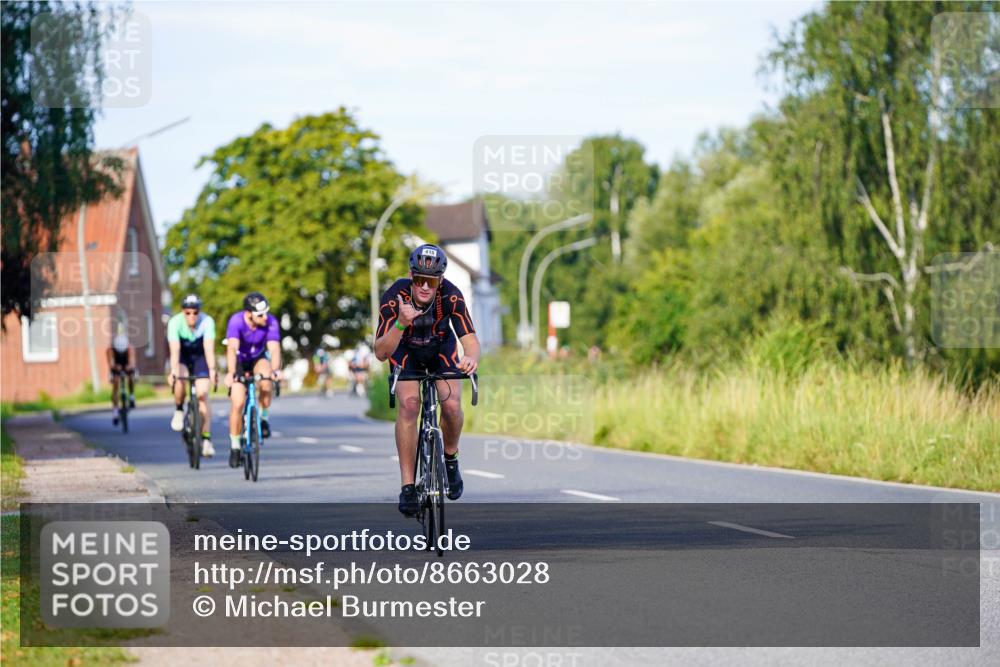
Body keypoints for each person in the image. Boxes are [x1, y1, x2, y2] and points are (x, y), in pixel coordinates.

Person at [373, 244, 480, 516]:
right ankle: (408, 486)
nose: (424, 286)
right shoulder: (395, 296)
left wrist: (470, 357)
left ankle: (451, 458)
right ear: (411, 276)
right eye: (419, 279)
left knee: (452, 405)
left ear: (440, 281)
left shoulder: (451, 295)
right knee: (409, 405)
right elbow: (381, 352)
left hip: (440, 349)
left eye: (430, 281)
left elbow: (470, 340)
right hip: (405, 350)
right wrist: (400, 322)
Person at [224, 292, 283, 468]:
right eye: (260, 314)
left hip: (258, 358)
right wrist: (231, 372)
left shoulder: (271, 322)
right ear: (249, 314)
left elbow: (274, 349)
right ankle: (235, 446)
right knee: (237, 402)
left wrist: (276, 370)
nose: (265, 317)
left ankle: (263, 418)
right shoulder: (236, 321)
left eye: (266, 313)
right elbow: (232, 348)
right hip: (240, 361)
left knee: (266, 380)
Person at [167, 294, 218, 457]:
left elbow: (209, 349)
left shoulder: (207, 322)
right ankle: (179, 409)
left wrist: (212, 370)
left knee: (203, 394)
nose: (192, 316)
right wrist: (173, 371)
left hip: (200, 357)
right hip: (182, 356)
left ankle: (206, 438)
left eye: (195, 312)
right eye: (188, 312)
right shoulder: (174, 322)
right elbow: (175, 350)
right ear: (182, 311)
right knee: (179, 378)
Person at [106, 327, 136, 425]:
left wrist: (129, 366)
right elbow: (111, 364)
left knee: (131, 377)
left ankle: (131, 396)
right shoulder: (110, 350)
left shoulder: (130, 348)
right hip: (116, 366)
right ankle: (115, 412)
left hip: (126, 364)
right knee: (115, 383)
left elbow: (132, 362)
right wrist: (115, 367)